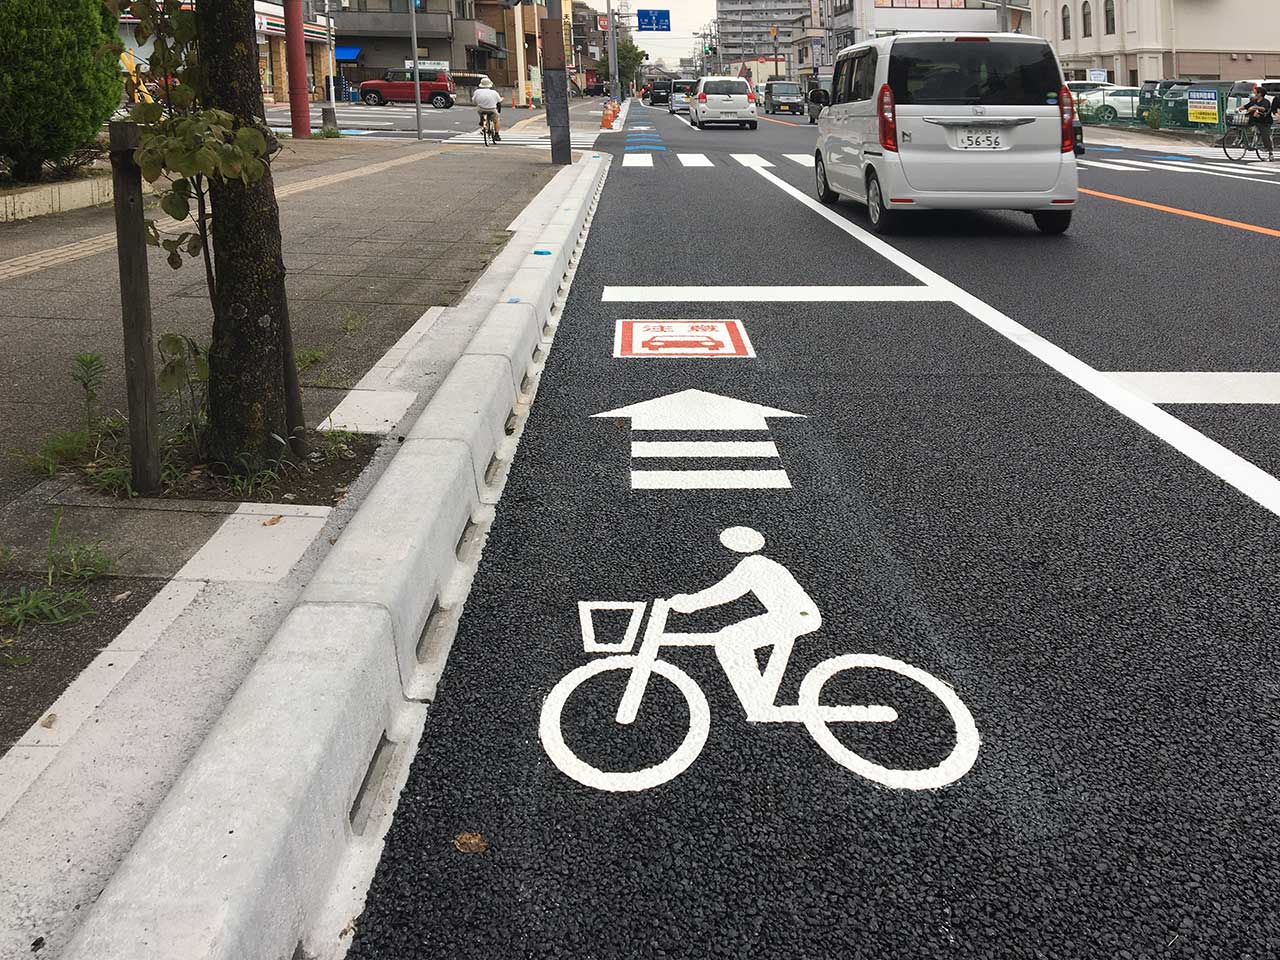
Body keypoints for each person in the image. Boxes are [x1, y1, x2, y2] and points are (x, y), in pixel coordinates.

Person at [667, 527, 822, 721]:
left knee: (730, 638)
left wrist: (690, 603)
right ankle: (760, 702)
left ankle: (758, 706)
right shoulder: (763, 563)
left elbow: (727, 590)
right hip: (795, 614)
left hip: (797, 616)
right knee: (733, 637)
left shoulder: (754, 565)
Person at [1239, 86, 1273, 161]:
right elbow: (1246, 106)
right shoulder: (1254, 101)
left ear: (1260, 94)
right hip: (1254, 120)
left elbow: (1264, 108)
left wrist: (1255, 108)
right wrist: (1239, 108)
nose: (1254, 93)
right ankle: (1246, 141)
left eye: (1255, 92)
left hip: (1264, 121)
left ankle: (1269, 151)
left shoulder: (1265, 101)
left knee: (1265, 134)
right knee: (1243, 125)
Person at [473, 76, 502, 141]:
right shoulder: (494, 92)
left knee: (479, 110)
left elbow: (474, 101)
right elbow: (499, 101)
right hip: (492, 109)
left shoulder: (477, 92)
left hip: (481, 109)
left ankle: (482, 119)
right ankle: (497, 135)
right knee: (496, 121)